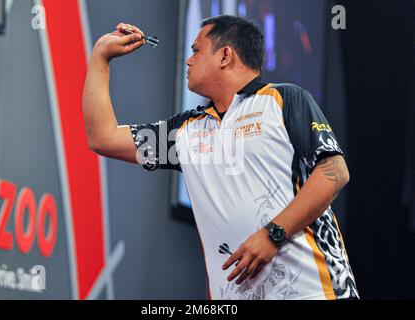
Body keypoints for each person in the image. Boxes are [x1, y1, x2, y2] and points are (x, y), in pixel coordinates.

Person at [83, 15, 359, 300]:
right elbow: (103, 137)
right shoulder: (186, 132)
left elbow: (334, 172)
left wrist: (272, 235)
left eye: (196, 50)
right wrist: (100, 57)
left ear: (225, 55)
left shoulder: (283, 100)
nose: (188, 61)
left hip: (315, 291)